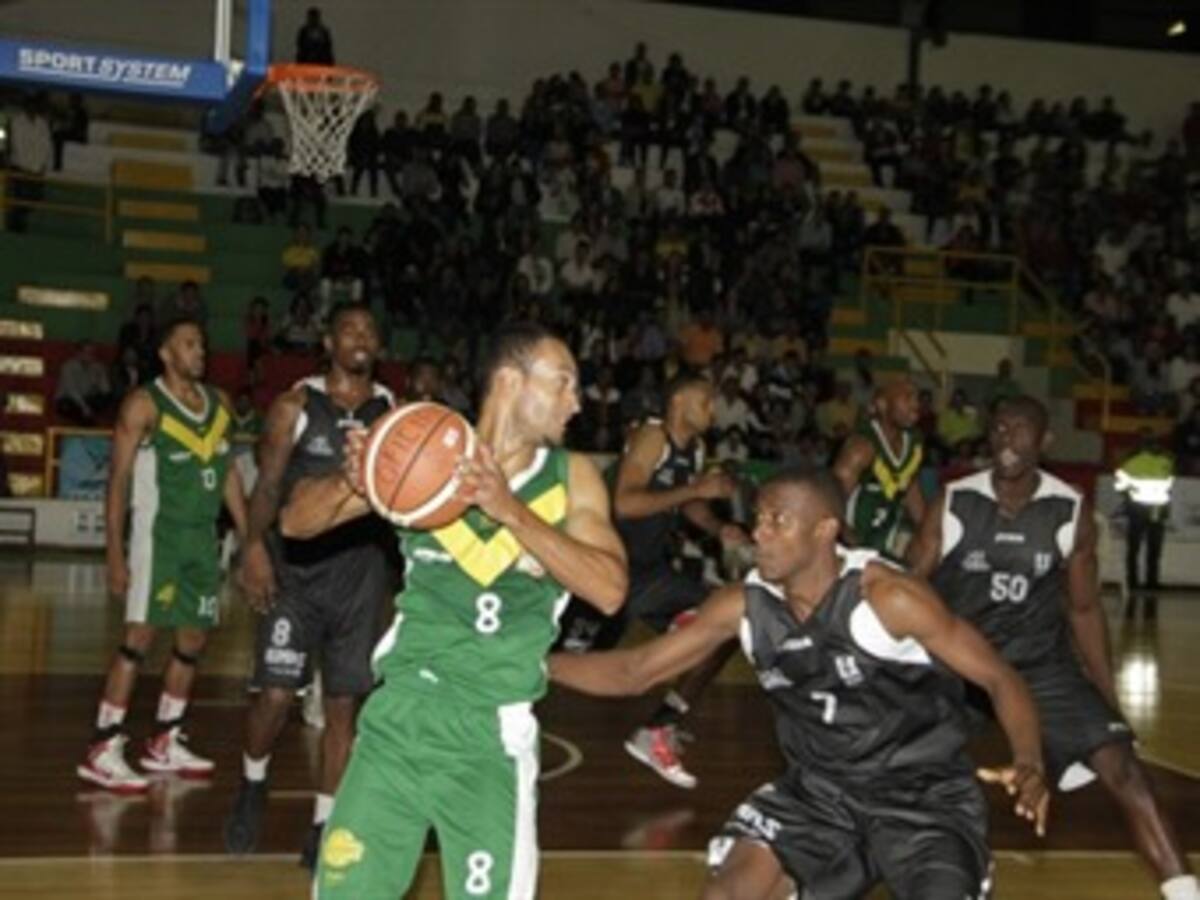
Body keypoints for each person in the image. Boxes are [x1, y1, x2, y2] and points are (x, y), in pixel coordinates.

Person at [550, 466, 1049, 900]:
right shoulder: (742, 605)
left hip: (923, 795)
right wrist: (530, 663)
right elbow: (635, 671)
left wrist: (1028, 760)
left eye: (777, 521)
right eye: (759, 519)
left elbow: (998, 676)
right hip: (820, 793)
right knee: (727, 892)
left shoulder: (888, 599)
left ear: (825, 531)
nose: (758, 534)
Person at [279, 321, 627, 898]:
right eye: (563, 382)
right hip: (399, 717)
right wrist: (355, 477)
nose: (577, 400)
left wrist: (511, 511)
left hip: (489, 733)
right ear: (511, 381)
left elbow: (611, 590)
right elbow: (295, 523)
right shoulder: (423, 444)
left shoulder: (573, 478)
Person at [908, 396, 1199, 900]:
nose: (1007, 440)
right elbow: (906, 590)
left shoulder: (1069, 509)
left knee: (1123, 767)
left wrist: (1108, 698)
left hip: (1039, 663)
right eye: (999, 428)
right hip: (960, 663)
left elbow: (1084, 611)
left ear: (1044, 441)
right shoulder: (955, 501)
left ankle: (1184, 892)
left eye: (1021, 431)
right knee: (902, 769)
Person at [224, 304, 395, 868]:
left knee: (344, 706)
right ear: (328, 341)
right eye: (350, 329)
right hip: (295, 571)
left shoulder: (391, 412)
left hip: (361, 574)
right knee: (275, 696)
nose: (361, 337)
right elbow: (268, 487)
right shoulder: (295, 407)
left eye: (369, 330)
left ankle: (325, 822)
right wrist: (252, 549)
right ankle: (253, 783)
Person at [77, 318, 247, 792]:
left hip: (202, 540)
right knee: (139, 638)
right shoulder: (143, 405)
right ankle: (103, 746)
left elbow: (229, 471)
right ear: (166, 355)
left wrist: (251, 537)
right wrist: (114, 552)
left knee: (194, 639)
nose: (200, 351)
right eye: (189, 344)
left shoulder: (220, 405)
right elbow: (117, 482)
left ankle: (164, 739)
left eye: (203, 343)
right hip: (158, 538)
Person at [561, 375, 747, 788]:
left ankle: (659, 728)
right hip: (605, 571)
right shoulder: (652, 436)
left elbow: (688, 505)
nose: (712, 410)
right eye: (706, 401)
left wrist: (719, 529)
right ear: (679, 401)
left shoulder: (694, 450)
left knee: (725, 626)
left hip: (650, 573)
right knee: (548, 662)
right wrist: (695, 488)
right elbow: (625, 504)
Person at [833, 377, 925, 555]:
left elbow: (911, 488)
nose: (915, 405)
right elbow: (833, 495)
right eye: (907, 398)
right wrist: (845, 535)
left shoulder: (914, 442)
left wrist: (926, 528)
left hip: (886, 533)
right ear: (882, 405)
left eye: (916, 398)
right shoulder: (861, 446)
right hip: (855, 537)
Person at [1116, 428, 1174, 599]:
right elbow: (1169, 486)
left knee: (1136, 548)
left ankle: (1134, 582)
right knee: (1153, 550)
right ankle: (1151, 582)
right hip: (1156, 510)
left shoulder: (1130, 462)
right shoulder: (1165, 461)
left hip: (1138, 510)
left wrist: (1131, 496)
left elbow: (1120, 487)